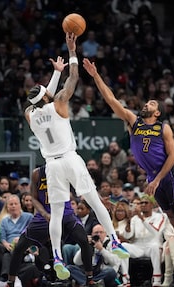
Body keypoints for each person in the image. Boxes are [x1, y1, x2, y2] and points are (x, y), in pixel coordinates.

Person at [83, 57, 174, 280]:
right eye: (147, 103)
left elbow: (173, 157)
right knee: (171, 217)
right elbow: (111, 100)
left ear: (157, 113)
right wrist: (95, 76)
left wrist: (158, 179)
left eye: (151, 104)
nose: (146, 104)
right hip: (153, 178)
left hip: (170, 175)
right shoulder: (133, 122)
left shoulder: (163, 128)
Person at [24, 33, 129, 280]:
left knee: (57, 212)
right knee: (93, 200)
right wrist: (72, 52)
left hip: (51, 165)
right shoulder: (59, 102)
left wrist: (54, 75)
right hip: (70, 159)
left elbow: (42, 97)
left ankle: (58, 255)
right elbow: (74, 77)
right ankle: (113, 240)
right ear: (48, 96)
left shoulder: (30, 114)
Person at [1, 165, 95, 287]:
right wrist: (45, 213)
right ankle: (10, 281)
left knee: (84, 240)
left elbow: (84, 188)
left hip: (65, 214)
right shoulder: (37, 173)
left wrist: (98, 201)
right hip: (44, 216)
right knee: (19, 247)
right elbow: (33, 199)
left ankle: (89, 279)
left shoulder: (66, 169)